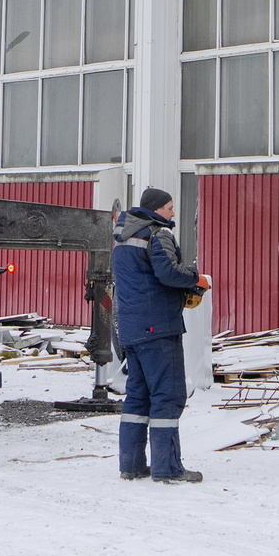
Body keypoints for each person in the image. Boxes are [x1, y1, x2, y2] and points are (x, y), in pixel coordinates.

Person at [112, 186, 208, 483]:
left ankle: (132, 465)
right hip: (158, 328)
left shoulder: (124, 236)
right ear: (156, 209)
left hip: (131, 329)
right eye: (169, 207)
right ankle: (168, 468)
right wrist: (196, 278)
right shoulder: (158, 233)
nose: (173, 212)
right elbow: (168, 273)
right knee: (167, 396)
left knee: (137, 398)